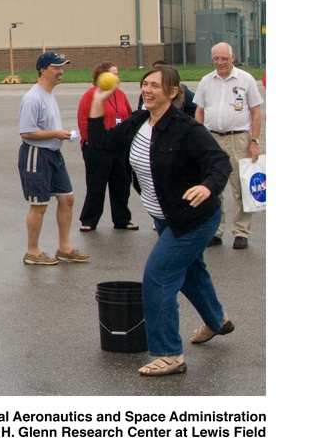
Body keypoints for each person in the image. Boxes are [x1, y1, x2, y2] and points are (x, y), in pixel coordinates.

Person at [88, 65, 233, 377]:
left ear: (172, 92)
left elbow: (218, 161)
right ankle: (217, 321)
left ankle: (169, 354)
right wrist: (99, 102)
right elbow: (102, 145)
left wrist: (208, 186)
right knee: (192, 273)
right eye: (145, 84)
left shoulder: (186, 128)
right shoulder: (140, 121)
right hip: (164, 217)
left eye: (155, 85)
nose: (147, 90)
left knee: (158, 276)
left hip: (194, 218)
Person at [17, 52, 89, 266]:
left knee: (67, 198)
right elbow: (26, 132)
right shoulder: (33, 98)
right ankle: (33, 251)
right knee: (39, 205)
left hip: (54, 154)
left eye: (61, 67)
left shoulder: (49, 95)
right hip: (36, 154)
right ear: (43, 70)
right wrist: (56, 133)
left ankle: (65, 248)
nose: (61, 72)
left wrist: (60, 134)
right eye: (56, 67)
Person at [193, 42, 264, 250]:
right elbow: (200, 110)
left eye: (224, 58)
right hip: (212, 138)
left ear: (233, 58)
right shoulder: (207, 80)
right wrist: (198, 139)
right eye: (216, 59)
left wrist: (254, 142)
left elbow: (256, 112)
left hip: (238, 139)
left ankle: (241, 231)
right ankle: (216, 230)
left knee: (240, 187)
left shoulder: (245, 79)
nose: (220, 62)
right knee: (213, 187)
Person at [76, 61, 137, 231]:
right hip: (98, 149)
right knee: (96, 186)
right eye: (114, 74)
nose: (118, 78)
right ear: (103, 77)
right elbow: (84, 122)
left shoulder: (121, 94)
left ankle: (122, 219)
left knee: (122, 185)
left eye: (117, 74)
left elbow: (128, 117)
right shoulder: (91, 95)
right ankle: (89, 220)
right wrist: (94, 143)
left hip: (120, 148)